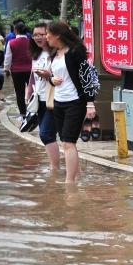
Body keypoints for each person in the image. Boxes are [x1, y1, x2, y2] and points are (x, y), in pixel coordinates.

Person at [43, 21, 93, 184]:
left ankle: (69, 183)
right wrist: (51, 79)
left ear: (57, 35)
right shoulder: (54, 53)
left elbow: (87, 77)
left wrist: (90, 103)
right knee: (65, 141)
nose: (46, 36)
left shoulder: (76, 51)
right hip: (58, 102)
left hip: (75, 102)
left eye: (48, 33)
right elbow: (53, 76)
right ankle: (76, 176)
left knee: (68, 142)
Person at [26, 21, 60, 172]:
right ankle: (54, 166)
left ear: (49, 35)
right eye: (35, 35)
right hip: (39, 98)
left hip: (53, 99)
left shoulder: (57, 54)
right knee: (47, 134)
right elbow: (32, 75)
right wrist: (28, 93)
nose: (38, 38)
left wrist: (48, 75)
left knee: (46, 133)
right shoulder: (37, 54)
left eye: (41, 34)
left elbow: (62, 76)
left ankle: (55, 168)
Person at [3, 21, 33, 121]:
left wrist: (6, 69)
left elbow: (8, 58)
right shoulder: (31, 42)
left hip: (16, 71)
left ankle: (23, 114)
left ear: (16, 31)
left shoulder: (11, 43)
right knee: (33, 91)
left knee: (19, 93)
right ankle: (33, 112)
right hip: (31, 71)